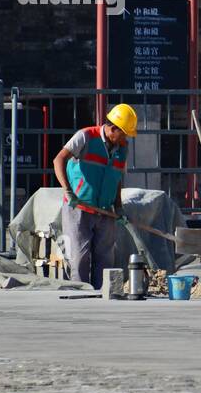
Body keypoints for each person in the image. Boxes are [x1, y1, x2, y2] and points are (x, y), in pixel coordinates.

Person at [52, 104, 137, 290]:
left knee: (105, 258)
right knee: (80, 257)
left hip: (105, 210)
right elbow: (58, 159)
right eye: (123, 133)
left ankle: (102, 295)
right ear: (113, 128)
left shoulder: (122, 148)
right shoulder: (85, 136)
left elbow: (116, 178)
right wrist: (68, 190)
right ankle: (80, 296)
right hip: (79, 208)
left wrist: (119, 207)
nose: (125, 138)